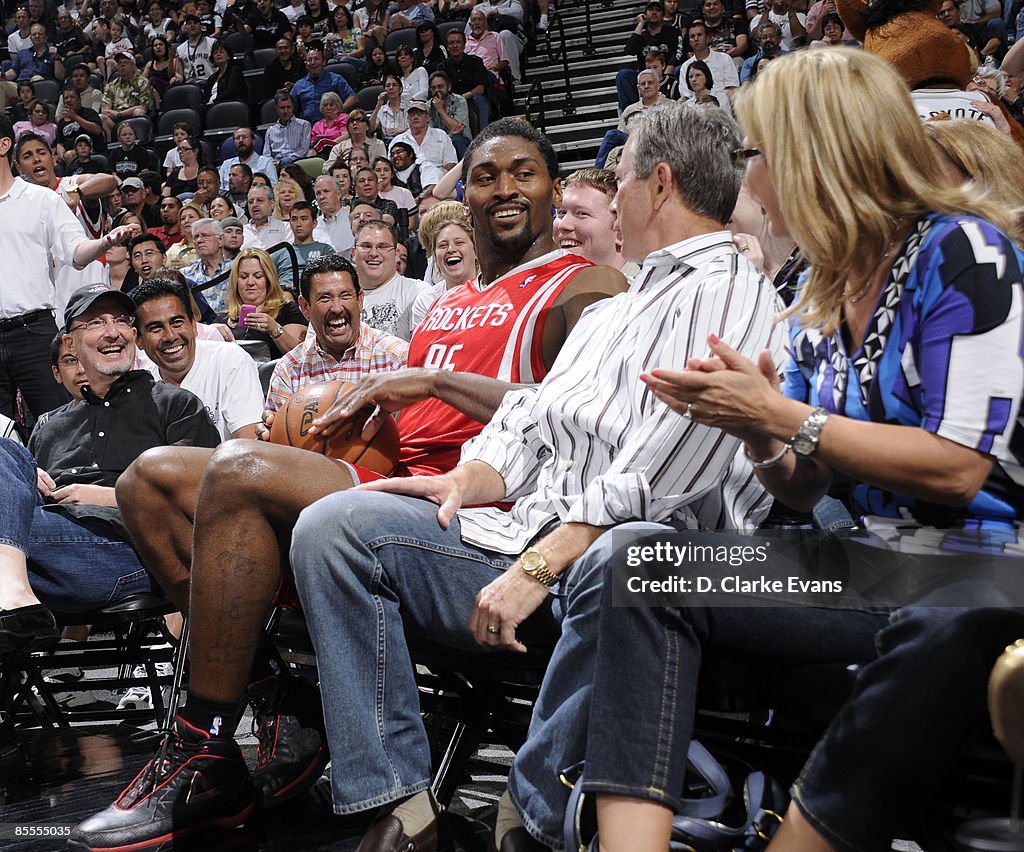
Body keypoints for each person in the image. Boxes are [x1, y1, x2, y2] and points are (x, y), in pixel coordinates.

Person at [71, 119, 627, 850]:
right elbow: (413, 421)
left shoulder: (583, 285)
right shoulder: (453, 301)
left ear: (554, 189)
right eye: (487, 175)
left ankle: (201, 745)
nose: (505, 188)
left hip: (481, 506)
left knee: (237, 472)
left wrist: (428, 382)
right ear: (464, 193)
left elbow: (580, 422)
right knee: (152, 479)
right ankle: (279, 703)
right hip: (396, 477)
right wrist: (333, 422)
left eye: (524, 172)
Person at [284, 99, 781, 852]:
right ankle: (398, 802)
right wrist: (467, 480)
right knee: (337, 529)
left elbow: (663, 474)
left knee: (627, 555)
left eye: (620, 177)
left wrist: (541, 565)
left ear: (661, 184)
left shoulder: (732, 292)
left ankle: (536, 813)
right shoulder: (622, 301)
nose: (612, 195)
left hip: (634, 561)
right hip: (529, 537)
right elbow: (531, 416)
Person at [584, 48, 1024, 852]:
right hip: (863, 560)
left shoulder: (963, 252)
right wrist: (754, 429)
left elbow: (961, 468)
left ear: (817, 154)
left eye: (758, 155)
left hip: (988, 556)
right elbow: (803, 486)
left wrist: (783, 416)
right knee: (639, 566)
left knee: (954, 607)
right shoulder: (827, 285)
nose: (749, 181)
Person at [0, 283, 220, 652]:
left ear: (134, 336)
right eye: (96, 322)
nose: (112, 331)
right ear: (69, 343)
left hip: (127, 554)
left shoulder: (177, 405)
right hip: (42, 552)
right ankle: (12, 587)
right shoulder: (49, 425)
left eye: (120, 320)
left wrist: (111, 496)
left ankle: (12, 585)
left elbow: (208, 501)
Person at [264, 253, 410, 413]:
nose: (337, 308)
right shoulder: (289, 370)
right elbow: (276, 435)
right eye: (325, 298)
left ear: (360, 300)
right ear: (305, 307)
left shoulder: (398, 358)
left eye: (345, 295)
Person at [134, 278, 263, 440]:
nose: (170, 336)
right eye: (155, 328)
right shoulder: (143, 384)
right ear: (138, 339)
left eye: (177, 323)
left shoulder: (231, 361)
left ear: (194, 326)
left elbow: (250, 446)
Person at [226, 247, 308, 357]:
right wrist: (212, 332)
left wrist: (274, 329)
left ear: (269, 280)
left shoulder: (287, 310)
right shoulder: (225, 318)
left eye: (258, 276)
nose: (250, 282)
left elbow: (299, 354)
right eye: (244, 277)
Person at [553, 167, 636, 275]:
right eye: (561, 213)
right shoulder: (541, 287)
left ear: (620, 227)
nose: (563, 225)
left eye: (582, 214)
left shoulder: (648, 289)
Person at [408, 199, 477, 325]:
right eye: (443, 245)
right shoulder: (426, 300)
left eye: (459, 242)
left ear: (476, 248)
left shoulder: (496, 289)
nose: (451, 249)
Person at [594, 67, 670, 168]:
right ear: (638, 88)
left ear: (658, 85)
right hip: (633, 145)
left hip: (658, 143)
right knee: (612, 135)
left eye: (650, 83)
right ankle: (596, 175)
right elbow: (620, 136)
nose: (646, 86)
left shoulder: (671, 106)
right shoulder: (629, 110)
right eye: (643, 84)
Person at [616, 0, 680, 114]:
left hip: (667, 70)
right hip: (645, 75)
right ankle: (631, 112)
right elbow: (629, 50)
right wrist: (641, 24)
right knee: (623, 75)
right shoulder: (641, 35)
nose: (654, 13)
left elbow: (679, 51)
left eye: (658, 10)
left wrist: (670, 66)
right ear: (645, 14)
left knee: (681, 69)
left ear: (663, 14)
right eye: (651, 10)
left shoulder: (672, 32)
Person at [290, 40, 358, 124]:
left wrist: (337, 112)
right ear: (306, 65)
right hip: (309, 129)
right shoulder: (299, 85)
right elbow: (290, 108)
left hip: (335, 125)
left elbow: (353, 98)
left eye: (316, 59)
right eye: (309, 60)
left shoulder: (336, 79)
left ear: (323, 62)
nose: (313, 62)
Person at [273, 200, 335, 290]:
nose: (298, 224)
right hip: (284, 295)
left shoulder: (325, 250)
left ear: (314, 223)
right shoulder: (280, 252)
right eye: (294, 219)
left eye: (304, 219)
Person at [390, 99, 459, 174]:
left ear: (428, 117)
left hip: (438, 180)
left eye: (419, 114)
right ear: (408, 119)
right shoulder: (397, 140)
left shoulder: (441, 135)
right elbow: (391, 168)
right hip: (407, 181)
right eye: (412, 114)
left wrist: (438, 176)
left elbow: (451, 163)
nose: (415, 117)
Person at [99, 52, 153, 139]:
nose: (122, 65)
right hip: (116, 123)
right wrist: (116, 115)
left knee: (139, 111)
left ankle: (141, 141)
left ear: (133, 66)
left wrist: (119, 114)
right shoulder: (111, 85)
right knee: (101, 118)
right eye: (120, 63)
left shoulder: (142, 82)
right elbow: (105, 109)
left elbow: (143, 107)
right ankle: (111, 147)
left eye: (125, 62)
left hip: (134, 119)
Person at [428, 70, 472, 158]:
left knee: (457, 140)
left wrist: (440, 110)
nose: (437, 90)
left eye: (440, 86)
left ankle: (465, 170)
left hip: (462, 140)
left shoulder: (459, 101)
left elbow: (458, 128)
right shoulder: (427, 106)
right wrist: (448, 136)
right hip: (439, 142)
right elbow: (429, 134)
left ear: (449, 87)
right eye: (433, 88)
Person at [219, 127, 278, 191]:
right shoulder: (226, 164)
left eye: (244, 137)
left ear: (253, 141)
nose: (241, 140)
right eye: (237, 138)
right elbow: (219, 189)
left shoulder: (266, 163)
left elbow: (274, 188)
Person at [264, 91, 312, 169]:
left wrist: (285, 161)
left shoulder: (304, 125)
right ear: (276, 108)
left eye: (289, 107)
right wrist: (272, 162)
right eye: (282, 108)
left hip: (296, 165)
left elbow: (303, 150)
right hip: (274, 167)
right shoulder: (270, 130)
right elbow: (266, 154)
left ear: (293, 107)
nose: (286, 111)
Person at [311, 173, 355, 253]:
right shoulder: (313, 226)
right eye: (318, 193)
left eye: (326, 191)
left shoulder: (353, 219)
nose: (322, 197)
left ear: (338, 194)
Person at [202, 38, 247, 107]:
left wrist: (214, 102)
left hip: (229, 106)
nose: (218, 54)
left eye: (221, 52)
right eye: (215, 53)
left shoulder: (234, 71)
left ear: (228, 56)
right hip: (211, 106)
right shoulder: (212, 78)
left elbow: (230, 92)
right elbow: (206, 96)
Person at [176, 14, 217, 83]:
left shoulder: (213, 43)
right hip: (190, 86)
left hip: (210, 83)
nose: (192, 25)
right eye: (189, 23)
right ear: (185, 28)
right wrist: (176, 79)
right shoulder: (180, 49)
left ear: (201, 26)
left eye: (195, 23)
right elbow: (180, 74)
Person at [309, 91, 348, 156]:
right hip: (318, 153)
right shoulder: (317, 125)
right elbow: (313, 144)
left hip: (338, 151)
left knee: (321, 140)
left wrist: (327, 144)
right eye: (325, 105)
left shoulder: (343, 117)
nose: (328, 108)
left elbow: (345, 136)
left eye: (331, 105)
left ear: (338, 106)